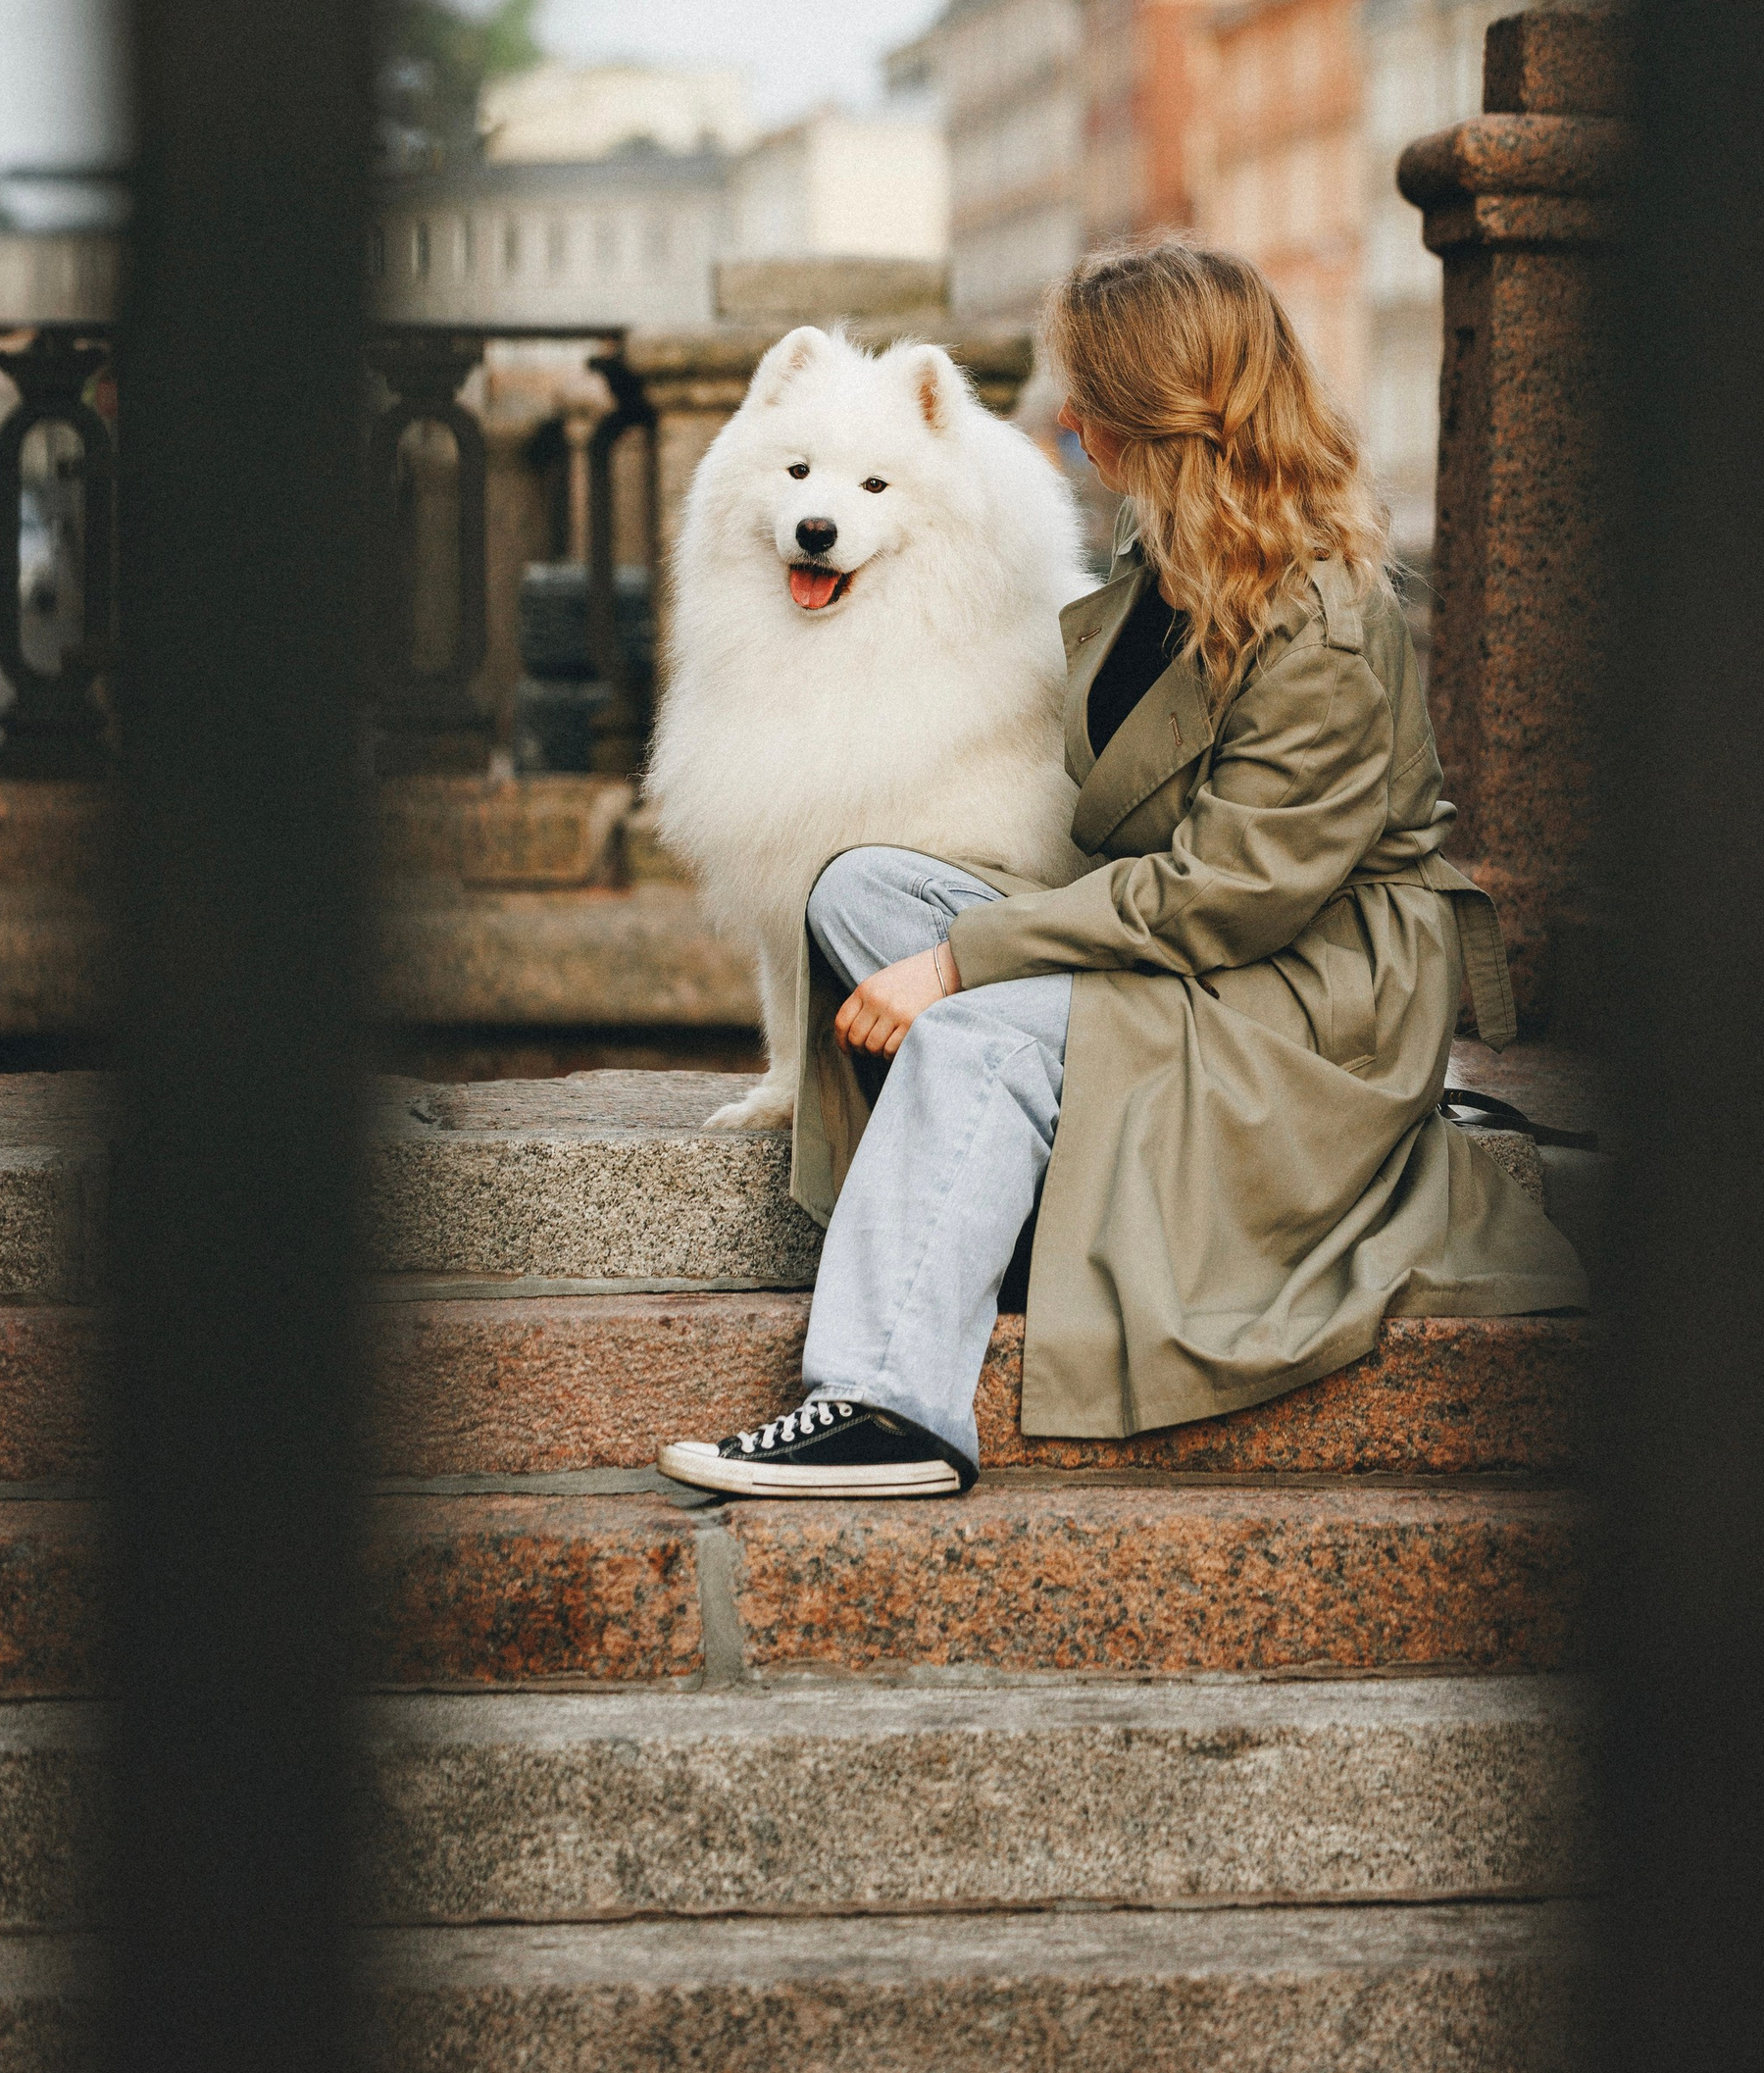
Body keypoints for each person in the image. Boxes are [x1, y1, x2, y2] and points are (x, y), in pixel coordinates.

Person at [657, 239, 1587, 1500]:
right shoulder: (1168, 551)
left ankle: (885, 1404)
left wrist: (965, 960)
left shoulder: (1319, 616)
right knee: (858, 886)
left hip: (1302, 1001)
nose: (1068, 424)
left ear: (1157, 416)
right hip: (1190, 956)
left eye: (1086, 400)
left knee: (971, 1035)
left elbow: (1231, 894)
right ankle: (1003, 1180)